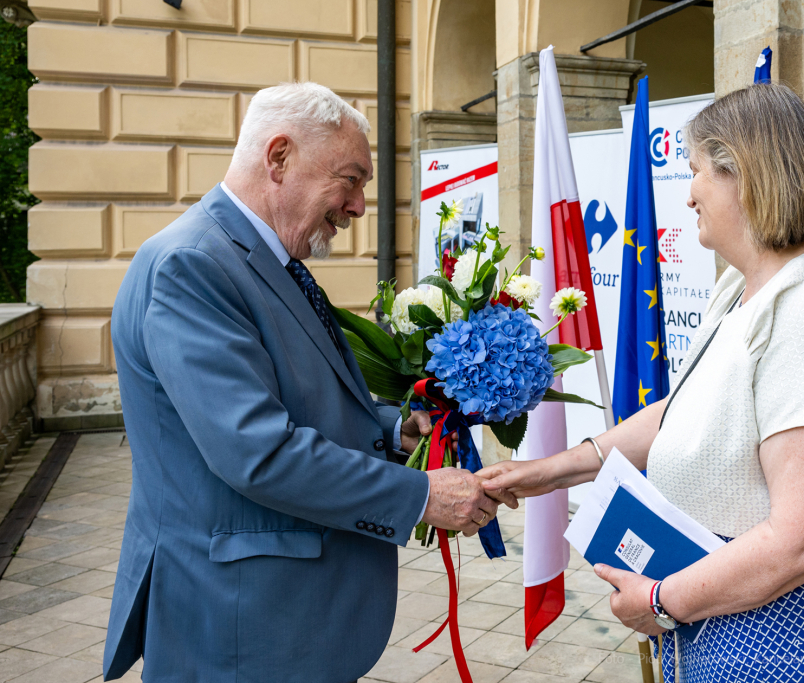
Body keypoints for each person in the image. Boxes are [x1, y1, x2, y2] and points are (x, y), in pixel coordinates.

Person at [104, 82, 515, 682]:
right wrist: (422, 496)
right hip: (240, 624)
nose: (358, 207)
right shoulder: (193, 266)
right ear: (279, 158)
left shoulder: (263, 256)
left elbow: (296, 398)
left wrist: (395, 429)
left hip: (275, 617)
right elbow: (259, 452)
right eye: (350, 179)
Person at [479, 83, 804, 683]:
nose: (689, 195)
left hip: (782, 638)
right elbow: (687, 410)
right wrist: (546, 473)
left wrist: (659, 602)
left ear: (743, 176)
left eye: (695, 172)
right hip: (734, 612)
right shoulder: (744, 285)